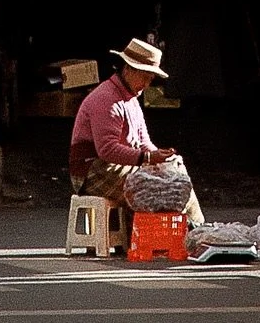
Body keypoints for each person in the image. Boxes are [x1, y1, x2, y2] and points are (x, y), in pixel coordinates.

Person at [69, 37, 203, 225]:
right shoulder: (106, 98)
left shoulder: (131, 100)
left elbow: (143, 142)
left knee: (175, 175)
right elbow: (107, 150)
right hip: (93, 170)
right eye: (144, 77)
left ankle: (195, 227)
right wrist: (148, 158)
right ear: (128, 69)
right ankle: (192, 228)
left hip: (120, 164)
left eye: (150, 79)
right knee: (159, 189)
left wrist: (162, 159)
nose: (147, 84)